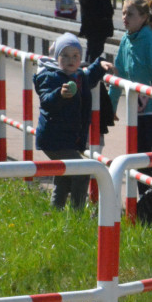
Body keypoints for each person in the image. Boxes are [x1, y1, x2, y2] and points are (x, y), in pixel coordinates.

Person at [33, 33, 114, 209]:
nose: (71, 60)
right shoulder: (50, 76)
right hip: (53, 139)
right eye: (65, 56)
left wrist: (99, 65)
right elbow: (46, 100)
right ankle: (77, 215)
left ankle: (56, 212)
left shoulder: (78, 75)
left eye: (76, 56)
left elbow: (89, 77)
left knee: (64, 177)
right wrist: (59, 94)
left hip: (68, 139)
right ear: (57, 58)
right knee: (82, 172)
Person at [109, 0, 152, 193]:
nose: (125, 18)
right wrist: (110, 108)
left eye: (131, 14)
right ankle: (142, 213)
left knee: (150, 166)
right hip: (135, 114)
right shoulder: (126, 39)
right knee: (135, 162)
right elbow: (117, 75)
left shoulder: (149, 39)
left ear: (144, 18)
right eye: (124, 13)